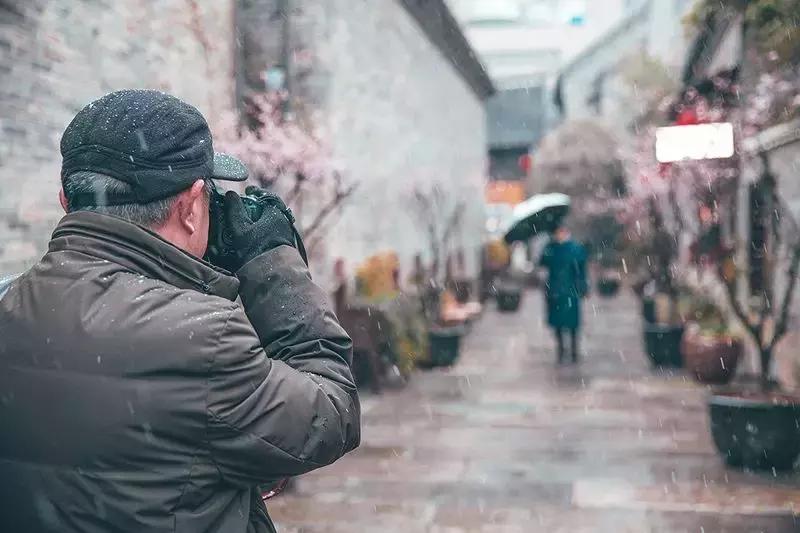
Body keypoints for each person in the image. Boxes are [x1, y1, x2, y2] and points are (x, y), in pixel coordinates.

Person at [0, 90, 360, 533]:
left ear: (64, 201)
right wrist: (272, 265)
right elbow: (330, 414)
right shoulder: (204, 339)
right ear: (190, 207)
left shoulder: (9, 304)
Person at [539, 223, 588, 364]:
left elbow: (581, 270)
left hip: (571, 291)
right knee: (558, 324)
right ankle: (561, 350)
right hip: (555, 292)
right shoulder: (551, 248)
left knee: (573, 324)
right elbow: (542, 262)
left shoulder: (575, 249)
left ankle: (573, 351)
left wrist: (583, 287)